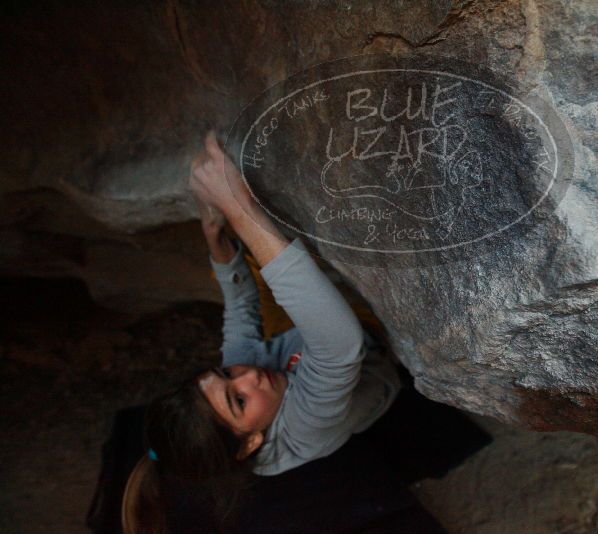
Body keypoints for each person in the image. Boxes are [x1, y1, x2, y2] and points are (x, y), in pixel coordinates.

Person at [122, 131, 402, 533]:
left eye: (224, 375)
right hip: (373, 348)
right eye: (237, 400)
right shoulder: (304, 431)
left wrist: (216, 238)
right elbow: (340, 345)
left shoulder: (245, 384)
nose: (247, 375)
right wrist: (240, 208)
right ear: (252, 442)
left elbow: (240, 311)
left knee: (254, 260)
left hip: (305, 344)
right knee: (277, 251)